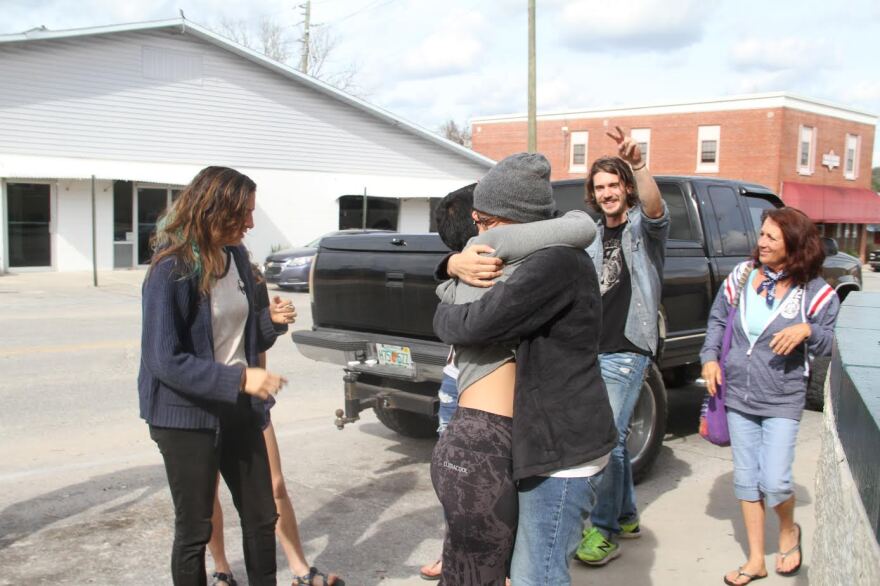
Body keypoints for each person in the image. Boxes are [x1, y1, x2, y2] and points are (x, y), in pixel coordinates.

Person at [433, 152, 616, 585]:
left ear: (510, 219)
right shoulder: (541, 256)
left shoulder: (554, 264)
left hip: (563, 451)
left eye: (483, 222)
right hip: (538, 442)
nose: (477, 233)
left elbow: (471, 323)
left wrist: (446, 298)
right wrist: (450, 265)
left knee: (539, 574)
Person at [139, 166, 287, 586]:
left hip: (236, 406)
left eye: (252, 213)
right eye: (242, 214)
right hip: (183, 416)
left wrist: (270, 321)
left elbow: (236, 337)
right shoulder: (171, 270)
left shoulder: (237, 258)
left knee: (262, 515)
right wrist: (241, 380)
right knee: (195, 530)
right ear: (211, 210)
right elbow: (163, 360)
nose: (251, 224)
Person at [700, 207, 839, 585]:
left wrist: (808, 330)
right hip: (738, 396)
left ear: (793, 244)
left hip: (782, 397)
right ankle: (756, 559)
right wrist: (710, 358)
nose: (761, 242)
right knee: (746, 480)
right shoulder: (743, 276)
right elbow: (716, 320)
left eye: (771, 237)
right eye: (761, 234)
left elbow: (832, 342)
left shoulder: (816, 293)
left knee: (775, 480)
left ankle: (788, 530)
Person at [207, 268, 343, 586]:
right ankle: (222, 569)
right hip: (207, 398)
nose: (246, 226)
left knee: (275, 484)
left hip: (249, 397)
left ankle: (300, 569)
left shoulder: (249, 275)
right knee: (207, 492)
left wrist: (275, 317)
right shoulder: (191, 274)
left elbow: (257, 342)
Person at [575, 127, 670, 567]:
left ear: (626, 187)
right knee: (607, 438)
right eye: (600, 187)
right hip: (593, 348)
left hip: (629, 348)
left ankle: (604, 529)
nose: (608, 192)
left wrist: (639, 163)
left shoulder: (643, 230)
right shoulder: (592, 234)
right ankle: (627, 514)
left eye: (614, 184)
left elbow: (654, 209)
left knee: (607, 441)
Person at [419, 184, 476, 582]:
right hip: (454, 380)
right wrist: (452, 262)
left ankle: (493, 561)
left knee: (487, 480)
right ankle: (452, 551)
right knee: (452, 474)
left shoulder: (514, 261)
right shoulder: (461, 264)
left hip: (484, 386)